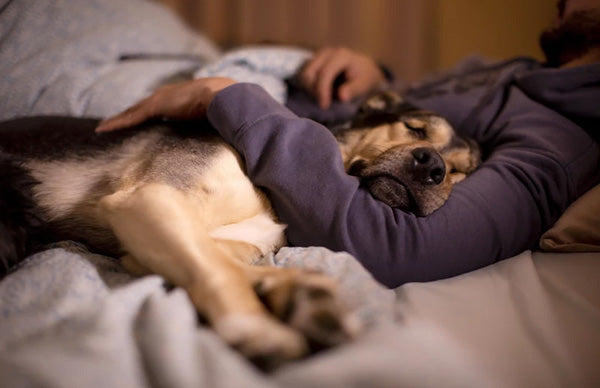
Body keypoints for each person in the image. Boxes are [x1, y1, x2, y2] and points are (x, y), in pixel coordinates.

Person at [10, 0, 600, 288]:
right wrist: (374, 77)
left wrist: (229, 95)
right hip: (250, 101)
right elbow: (373, 124)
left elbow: (399, 248)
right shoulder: (516, 70)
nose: (436, 165)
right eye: (424, 139)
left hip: (218, 118)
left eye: (453, 168)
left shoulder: (562, 139)